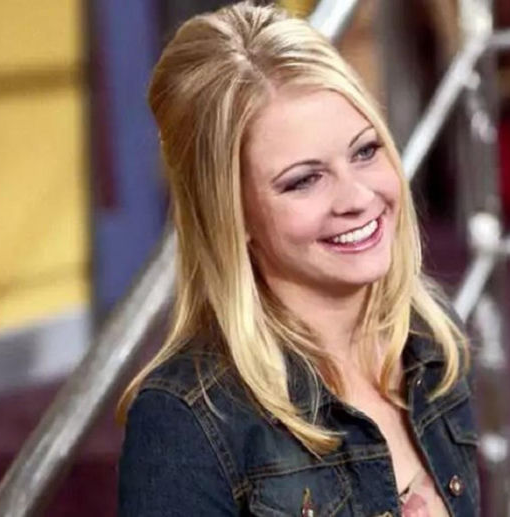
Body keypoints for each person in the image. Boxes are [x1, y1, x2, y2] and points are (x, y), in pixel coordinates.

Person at [117, 2, 480, 516]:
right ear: (232, 215)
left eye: (365, 151)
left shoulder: (433, 341)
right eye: (304, 180)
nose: (357, 197)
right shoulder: (187, 419)